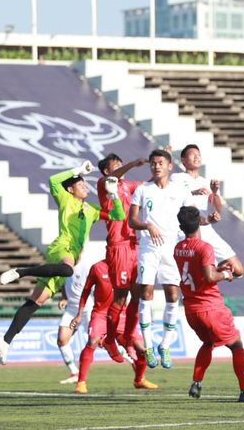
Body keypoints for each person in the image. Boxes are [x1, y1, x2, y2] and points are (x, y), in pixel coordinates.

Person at [0, 161, 125, 365]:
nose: (84, 187)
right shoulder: (66, 199)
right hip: (62, 248)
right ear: (71, 189)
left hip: (69, 255)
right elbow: (53, 180)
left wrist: (113, 194)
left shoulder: (91, 210)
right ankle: (21, 272)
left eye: (84, 184)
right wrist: (78, 170)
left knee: (36, 301)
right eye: (80, 184)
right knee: (67, 270)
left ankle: (5, 340)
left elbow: (119, 215)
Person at [173, 206, 244, 402]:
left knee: (208, 343)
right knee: (236, 345)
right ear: (199, 221)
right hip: (211, 307)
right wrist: (225, 274)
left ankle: (197, 382)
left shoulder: (178, 248)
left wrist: (217, 268)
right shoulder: (205, 247)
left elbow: (199, 273)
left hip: (192, 310)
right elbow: (209, 278)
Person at [129, 149, 198, 369]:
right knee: (146, 292)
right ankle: (148, 346)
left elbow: (192, 218)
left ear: (170, 166)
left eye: (160, 163)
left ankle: (165, 345)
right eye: (152, 163)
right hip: (148, 248)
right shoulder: (142, 190)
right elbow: (131, 221)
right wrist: (147, 225)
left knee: (173, 294)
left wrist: (208, 220)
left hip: (172, 248)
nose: (156, 166)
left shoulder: (181, 190)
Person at [69, 260, 157, 394]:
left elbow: (139, 293)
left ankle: (139, 380)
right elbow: (86, 290)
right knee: (92, 342)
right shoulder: (97, 268)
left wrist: (146, 314)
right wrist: (79, 314)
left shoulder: (128, 266)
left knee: (140, 348)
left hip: (121, 314)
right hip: (101, 314)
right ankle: (81, 382)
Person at [96, 154, 147, 363]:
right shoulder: (104, 184)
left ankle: (126, 336)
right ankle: (109, 339)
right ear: (107, 171)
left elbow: (150, 185)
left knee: (139, 294)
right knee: (121, 296)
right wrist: (133, 163)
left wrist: (162, 165)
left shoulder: (129, 185)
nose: (120, 167)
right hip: (118, 246)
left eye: (121, 163)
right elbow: (113, 179)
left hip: (135, 243)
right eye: (115, 165)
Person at [170, 144, 244, 277]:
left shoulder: (206, 182)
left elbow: (218, 208)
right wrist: (193, 192)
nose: (197, 157)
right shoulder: (177, 178)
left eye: (199, 155)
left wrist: (215, 192)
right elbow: (179, 198)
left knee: (238, 270)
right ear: (183, 160)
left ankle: (216, 272)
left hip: (207, 229)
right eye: (193, 155)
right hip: (189, 231)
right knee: (196, 273)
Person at [55, 263, 92, 384]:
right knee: (62, 340)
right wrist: (65, 298)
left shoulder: (85, 267)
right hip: (71, 309)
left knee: (101, 341)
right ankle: (74, 372)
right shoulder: (64, 267)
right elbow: (64, 284)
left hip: (87, 309)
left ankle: (131, 359)